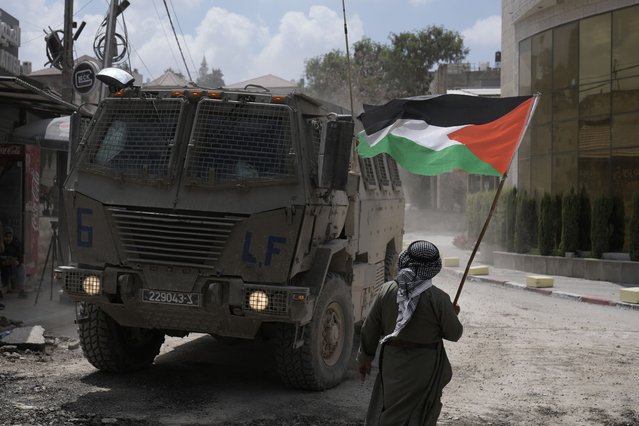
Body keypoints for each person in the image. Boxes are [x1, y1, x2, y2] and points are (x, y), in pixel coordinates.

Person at [357, 240, 463, 426]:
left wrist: (365, 358)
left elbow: (370, 327)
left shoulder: (387, 290)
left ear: (405, 261)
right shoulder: (439, 298)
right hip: (424, 367)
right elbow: (454, 333)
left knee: (390, 408)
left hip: (391, 362)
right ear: (433, 267)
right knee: (419, 413)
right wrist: (452, 314)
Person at [1, 226, 27, 299]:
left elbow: (21, 257)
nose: (8, 238)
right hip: (3, 266)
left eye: (10, 236)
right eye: (6, 236)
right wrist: (3, 263)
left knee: (22, 268)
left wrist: (17, 262)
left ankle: (22, 290)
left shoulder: (16, 243)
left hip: (14, 266)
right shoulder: (1, 244)